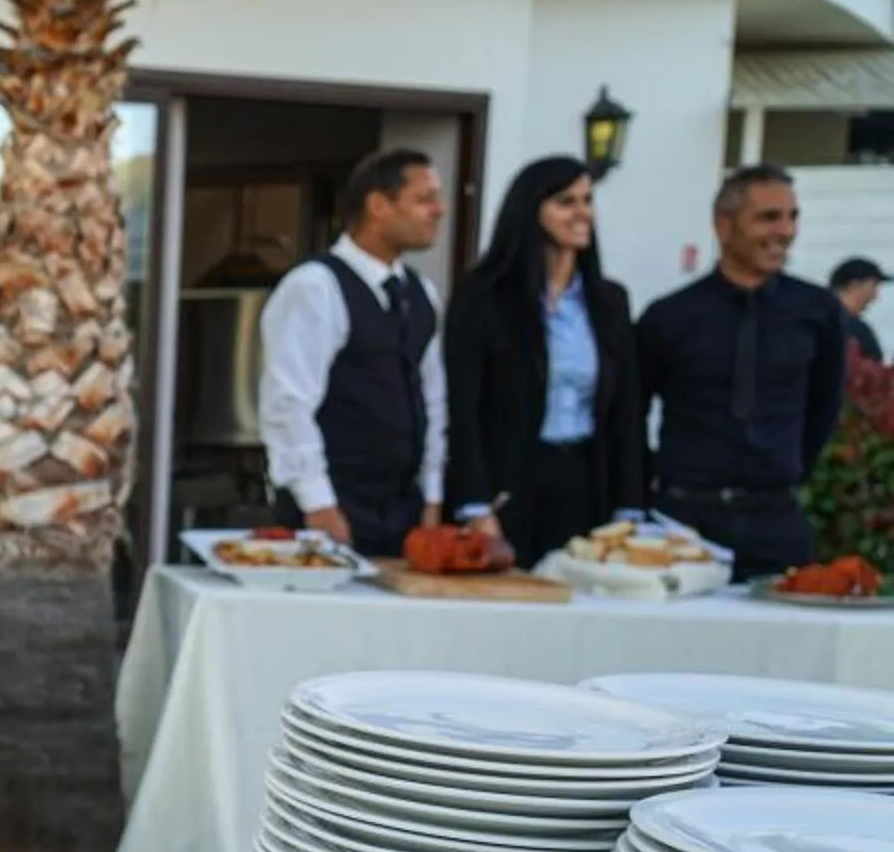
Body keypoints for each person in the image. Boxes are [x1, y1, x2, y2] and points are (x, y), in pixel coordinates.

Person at [638, 165, 847, 578]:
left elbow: (824, 406)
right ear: (723, 224)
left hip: (777, 522)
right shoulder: (670, 316)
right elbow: (628, 413)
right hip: (684, 524)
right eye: (768, 217)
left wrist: (785, 470)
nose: (785, 231)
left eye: (792, 217)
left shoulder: (816, 311)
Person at [442, 156, 645, 565]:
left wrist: (630, 505)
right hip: (511, 481)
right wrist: (474, 504)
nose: (582, 213)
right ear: (531, 210)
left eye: (587, 200)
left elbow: (627, 411)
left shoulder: (609, 301)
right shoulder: (483, 299)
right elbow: (462, 408)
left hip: (586, 479)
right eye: (566, 202)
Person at [257, 149, 451, 556]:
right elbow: (287, 402)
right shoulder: (315, 287)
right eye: (424, 199)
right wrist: (319, 504)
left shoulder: (421, 293)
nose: (440, 210)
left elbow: (432, 400)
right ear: (379, 205)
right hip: (333, 506)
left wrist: (432, 498)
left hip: (402, 511)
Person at [831, 256, 884, 363]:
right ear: (854, 286)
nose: (875, 296)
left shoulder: (809, 320)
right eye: (873, 286)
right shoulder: (857, 330)